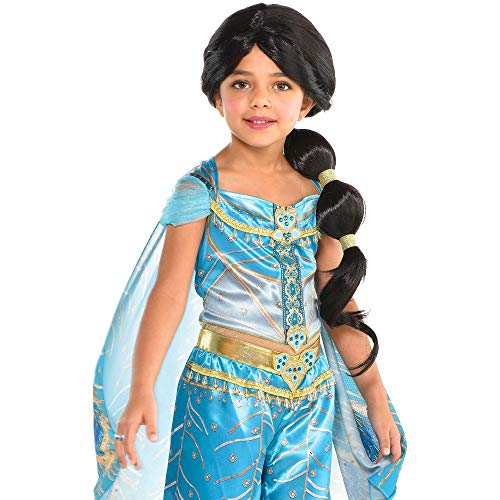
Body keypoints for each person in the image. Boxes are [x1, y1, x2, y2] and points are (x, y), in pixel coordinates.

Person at [92, 4, 407, 499]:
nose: (260, 99)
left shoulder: (319, 195)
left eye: (281, 85)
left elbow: (334, 303)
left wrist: (374, 394)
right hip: (221, 397)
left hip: (311, 397)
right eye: (242, 83)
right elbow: (169, 294)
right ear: (216, 95)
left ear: (307, 100)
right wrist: (142, 388)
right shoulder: (201, 191)